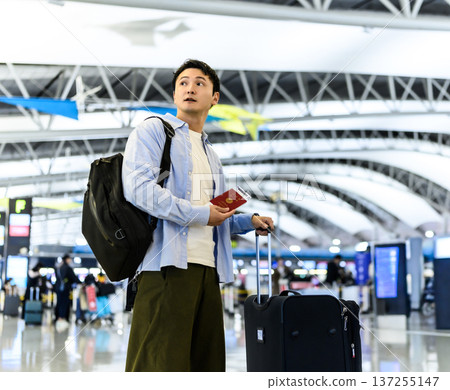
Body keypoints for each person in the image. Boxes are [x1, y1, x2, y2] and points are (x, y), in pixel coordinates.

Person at [122, 59, 274, 372]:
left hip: (208, 269)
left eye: (200, 83)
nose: (190, 87)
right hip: (166, 265)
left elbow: (216, 214)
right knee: (160, 362)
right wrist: (201, 213)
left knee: (204, 363)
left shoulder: (210, 153)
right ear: (175, 94)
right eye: (183, 83)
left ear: (215, 97)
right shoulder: (154, 131)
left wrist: (249, 221)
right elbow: (139, 190)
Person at [54, 254, 81, 331]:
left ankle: (58, 318)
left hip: (58, 288)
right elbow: (73, 278)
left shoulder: (58, 268)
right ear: (67, 259)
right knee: (64, 303)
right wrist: (79, 282)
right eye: (70, 259)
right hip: (65, 288)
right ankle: (62, 318)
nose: (70, 260)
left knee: (59, 303)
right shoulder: (67, 268)